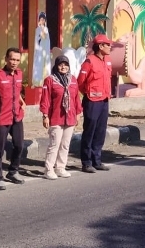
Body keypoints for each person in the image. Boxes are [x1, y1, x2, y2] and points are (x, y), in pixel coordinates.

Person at [0, 48, 27, 190]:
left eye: (17, 60)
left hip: (16, 116)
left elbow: (16, 91)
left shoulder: (19, 73)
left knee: (19, 145)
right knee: (0, 148)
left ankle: (13, 171)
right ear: (6, 59)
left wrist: (22, 101)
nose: (14, 62)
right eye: (12, 59)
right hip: (2, 117)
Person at [40, 55, 82, 179]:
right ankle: (49, 169)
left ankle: (60, 168)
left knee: (65, 144)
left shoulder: (73, 79)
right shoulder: (50, 80)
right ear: (56, 66)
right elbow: (45, 99)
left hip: (70, 116)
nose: (63, 67)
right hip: (56, 117)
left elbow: (76, 98)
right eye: (60, 64)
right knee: (54, 144)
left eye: (66, 64)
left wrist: (78, 114)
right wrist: (45, 116)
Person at [78, 34, 113, 172]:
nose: (110, 46)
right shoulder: (89, 61)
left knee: (100, 131)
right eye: (108, 44)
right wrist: (88, 93)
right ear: (100, 46)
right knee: (89, 131)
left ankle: (96, 160)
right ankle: (86, 162)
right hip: (92, 101)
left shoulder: (107, 60)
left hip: (104, 100)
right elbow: (80, 82)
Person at [31, 11, 52, 87]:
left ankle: (46, 82)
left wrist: (42, 28)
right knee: (38, 65)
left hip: (45, 50)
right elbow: (38, 39)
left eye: (43, 19)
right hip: (39, 51)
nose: (42, 21)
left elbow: (45, 38)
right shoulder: (37, 29)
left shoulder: (45, 29)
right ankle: (37, 82)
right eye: (40, 19)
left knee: (45, 65)